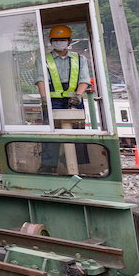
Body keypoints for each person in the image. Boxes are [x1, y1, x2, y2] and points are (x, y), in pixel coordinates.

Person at [35, 24, 91, 172]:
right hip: (53, 100)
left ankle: (79, 166)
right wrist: (44, 100)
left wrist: (78, 96)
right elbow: (41, 80)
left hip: (75, 100)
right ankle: (48, 165)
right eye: (56, 39)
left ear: (69, 41)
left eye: (62, 39)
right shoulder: (44, 59)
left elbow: (84, 80)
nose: (59, 42)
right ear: (51, 41)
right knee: (51, 133)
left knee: (78, 133)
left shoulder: (79, 59)